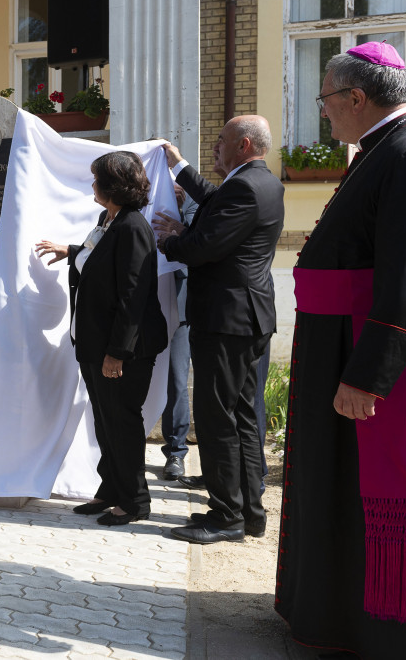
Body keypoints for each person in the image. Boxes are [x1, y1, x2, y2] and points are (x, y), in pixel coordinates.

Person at [276, 42, 406, 658]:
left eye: (327, 100)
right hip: (344, 345)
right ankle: (338, 615)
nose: (324, 114)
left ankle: (388, 631)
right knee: (336, 491)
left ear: (356, 97)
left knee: (383, 499)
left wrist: (368, 376)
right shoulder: (380, 153)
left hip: (388, 364)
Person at [152, 115, 284, 544]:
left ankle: (225, 515)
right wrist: (179, 165)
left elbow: (204, 247)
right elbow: (213, 200)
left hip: (227, 319)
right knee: (242, 415)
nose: (215, 147)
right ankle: (249, 511)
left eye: (222, 140)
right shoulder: (260, 182)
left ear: (243, 145)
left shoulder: (244, 187)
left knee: (216, 416)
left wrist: (171, 239)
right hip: (246, 318)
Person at [35, 151, 168, 526]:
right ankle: (111, 489)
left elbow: (133, 294)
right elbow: (100, 259)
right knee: (105, 421)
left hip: (121, 349)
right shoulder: (107, 219)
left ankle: (135, 501)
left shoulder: (133, 227)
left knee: (122, 422)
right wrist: (71, 251)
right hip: (95, 342)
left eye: (97, 179)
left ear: (112, 187)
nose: (92, 185)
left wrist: (117, 353)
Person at [159, 182, 195, 481]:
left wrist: (181, 212)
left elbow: (200, 244)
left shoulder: (195, 208)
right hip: (143, 305)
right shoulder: (144, 206)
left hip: (180, 309)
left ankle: (176, 452)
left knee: (175, 380)